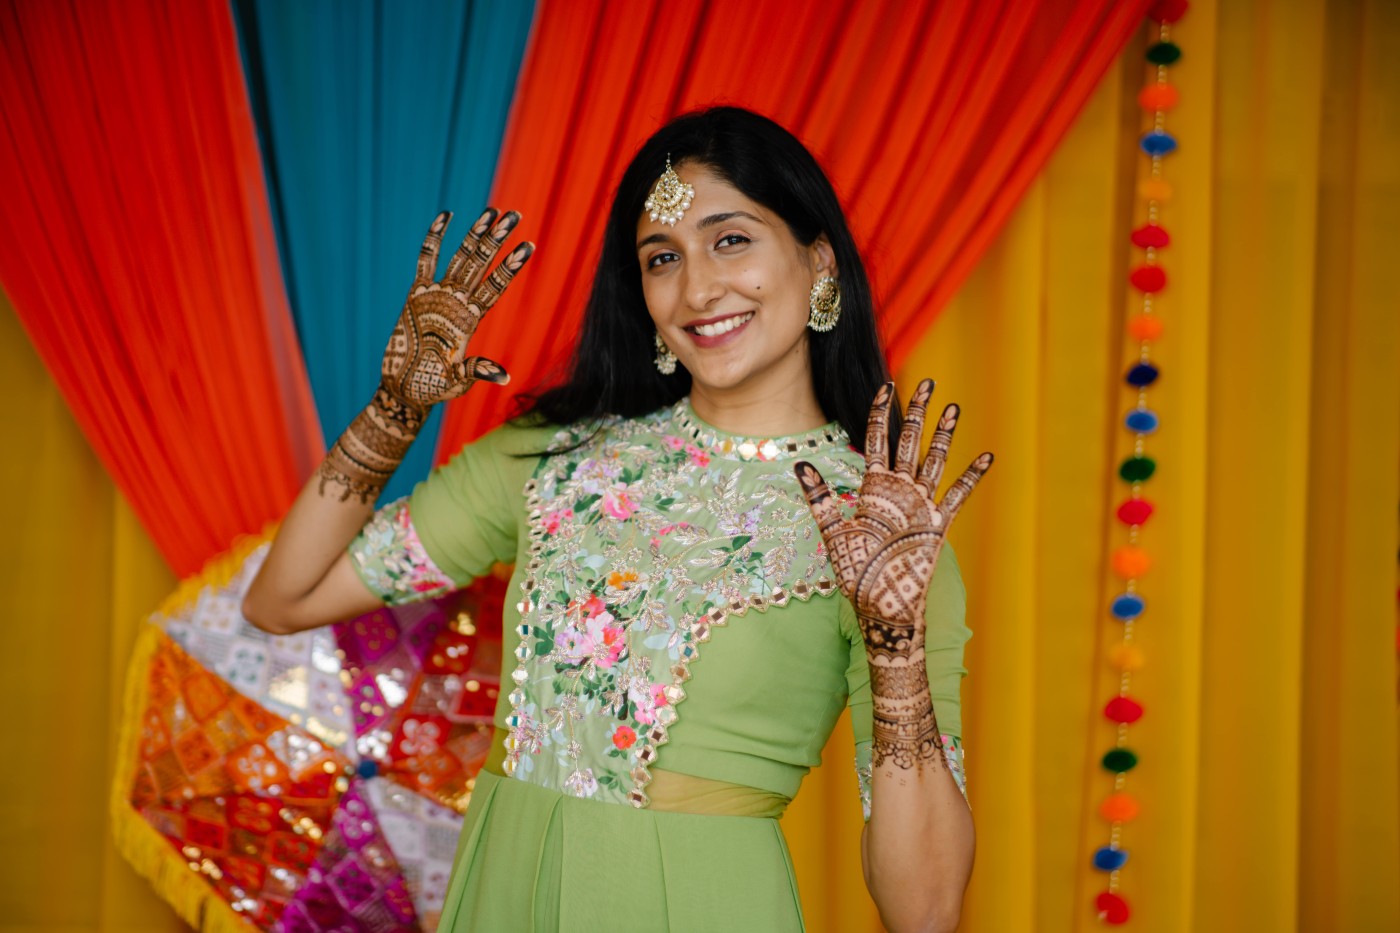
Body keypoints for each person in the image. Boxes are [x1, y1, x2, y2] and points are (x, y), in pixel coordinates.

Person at [245, 106, 991, 933]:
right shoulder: (555, 461)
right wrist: (394, 412)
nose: (698, 289)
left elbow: (925, 912)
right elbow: (283, 599)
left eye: (731, 239)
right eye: (662, 257)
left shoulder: (881, 532)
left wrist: (895, 645)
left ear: (818, 261)